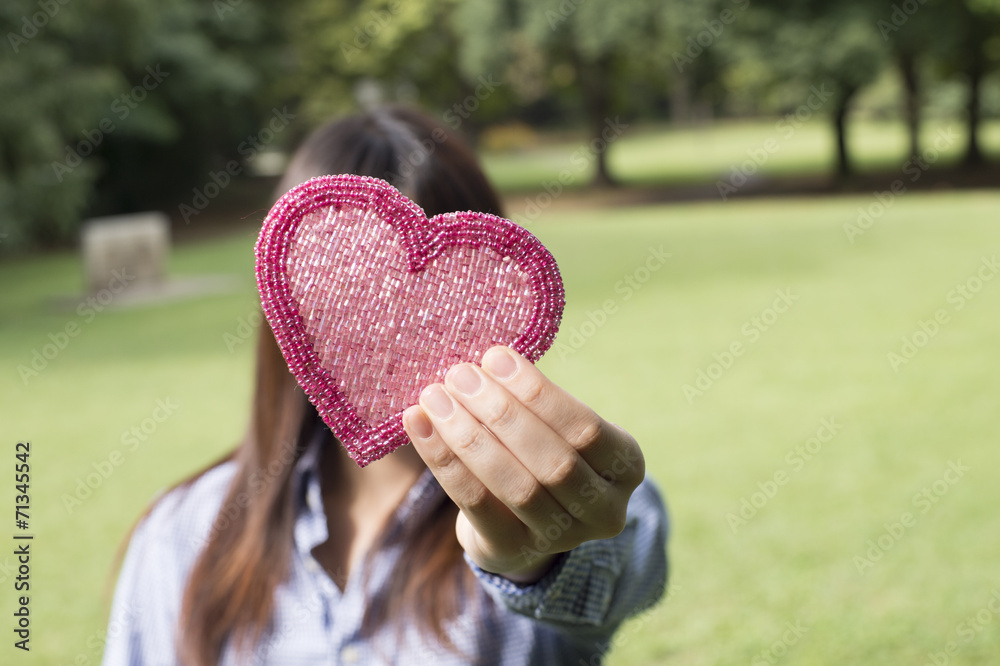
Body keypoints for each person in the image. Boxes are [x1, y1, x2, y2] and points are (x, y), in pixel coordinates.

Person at [102, 106, 669, 665]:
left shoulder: (570, 492)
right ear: (286, 303)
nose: (391, 333)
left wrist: (532, 559)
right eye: (345, 289)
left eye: (449, 308)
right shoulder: (182, 535)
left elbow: (622, 557)